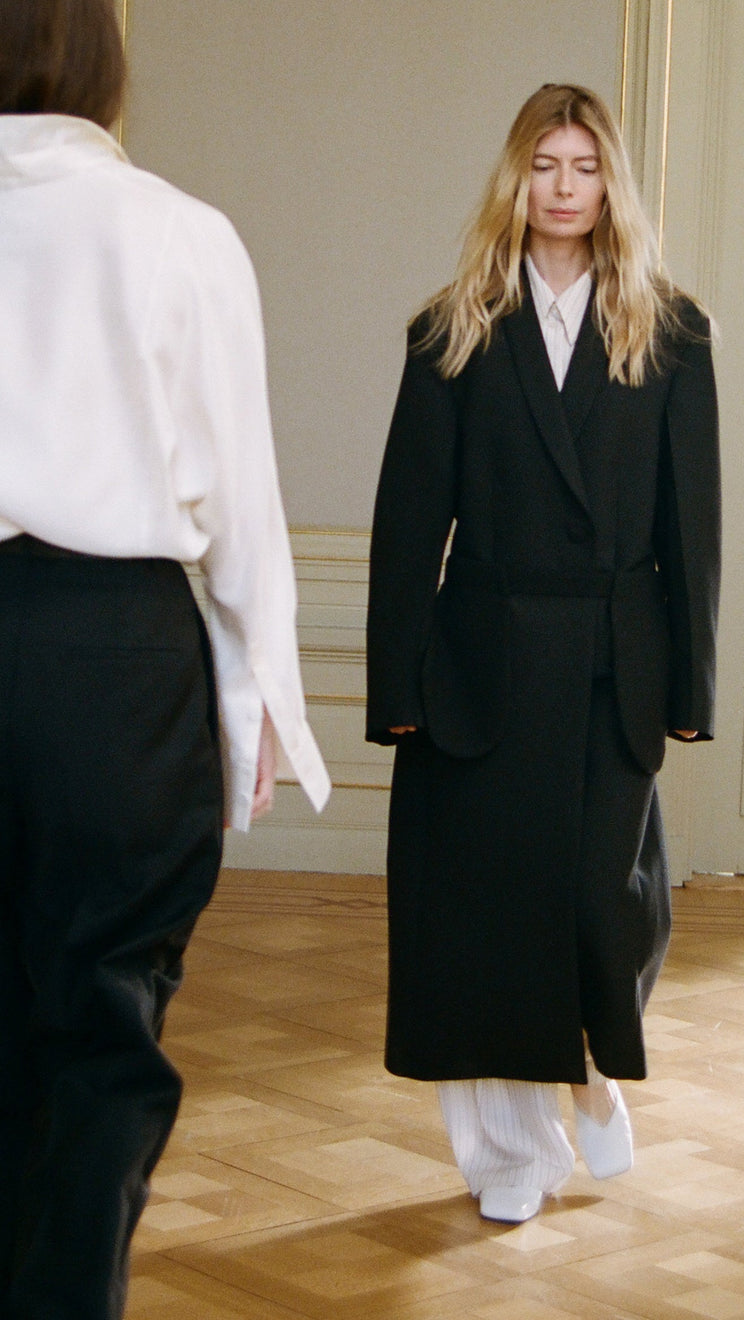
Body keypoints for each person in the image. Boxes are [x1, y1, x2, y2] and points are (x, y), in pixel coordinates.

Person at [0, 1, 330, 1315]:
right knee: (97, 1028)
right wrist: (260, 710)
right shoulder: (179, 233)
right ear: (104, 59)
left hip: (98, 641)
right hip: (115, 663)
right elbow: (241, 505)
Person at [366, 83, 720, 1225]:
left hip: (618, 658)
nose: (564, 189)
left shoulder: (669, 330)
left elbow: (691, 524)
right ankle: (509, 1156)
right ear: (514, 179)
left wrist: (693, 683)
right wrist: (396, 680)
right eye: (544, 166)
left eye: (585, 167)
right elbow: (408, 520)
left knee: (601, 905)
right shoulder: (453, 327)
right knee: (477, 918)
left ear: (611, 182)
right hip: (482, 662)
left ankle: (592, 1065)